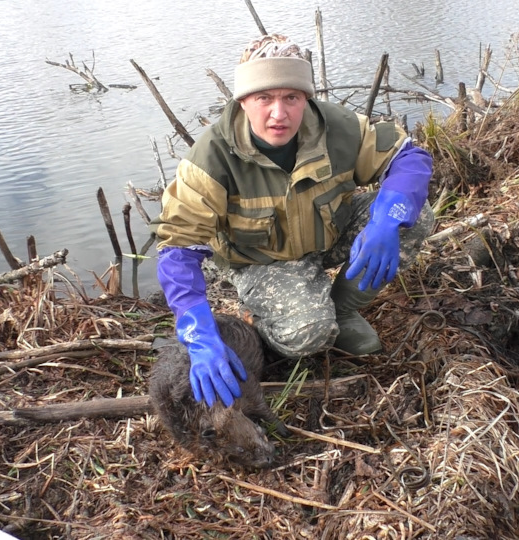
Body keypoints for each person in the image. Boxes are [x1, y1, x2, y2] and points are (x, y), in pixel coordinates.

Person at [153, 34, 434, 408]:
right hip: (260, 259)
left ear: (307, 98)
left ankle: (344, 308)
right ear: (242, 101)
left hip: (328, 231)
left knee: (413, 216)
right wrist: (198, 333)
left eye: (292, 97)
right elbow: (177, 248)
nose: (279, 113)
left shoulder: (337, 127)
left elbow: (408, 157)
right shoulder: (211, 158)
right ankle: (272, 312)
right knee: (308, 336)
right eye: (264, 98)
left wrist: (385, 220)